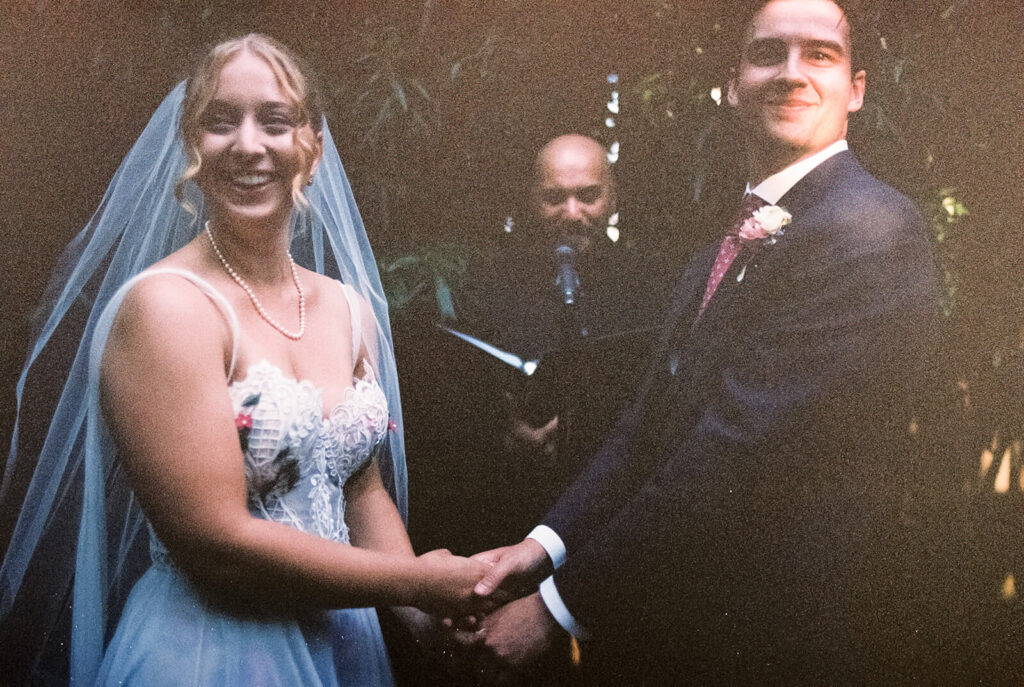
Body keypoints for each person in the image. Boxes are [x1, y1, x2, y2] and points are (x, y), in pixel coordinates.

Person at [470, 0, 957, 683]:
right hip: (681, 638)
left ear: (858, 89)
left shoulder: (869, 231)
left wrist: (553, 607)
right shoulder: (728, 238)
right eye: (768, 53)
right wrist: (540, 547)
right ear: (732, 86)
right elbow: (649, 424)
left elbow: (734, 451)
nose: (791, 73)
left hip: (779, 643)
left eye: (819, 54)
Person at [0, 34, 489, 686]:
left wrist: (423, 620)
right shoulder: (165, 307)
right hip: (210, 651)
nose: (249, 144)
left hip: (340, 648)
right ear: (192, 147)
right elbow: (215, 542)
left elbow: (360, 489)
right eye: (220, 120)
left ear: (313, 148)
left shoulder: (350, 310)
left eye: (276, 120)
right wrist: (423, 581)